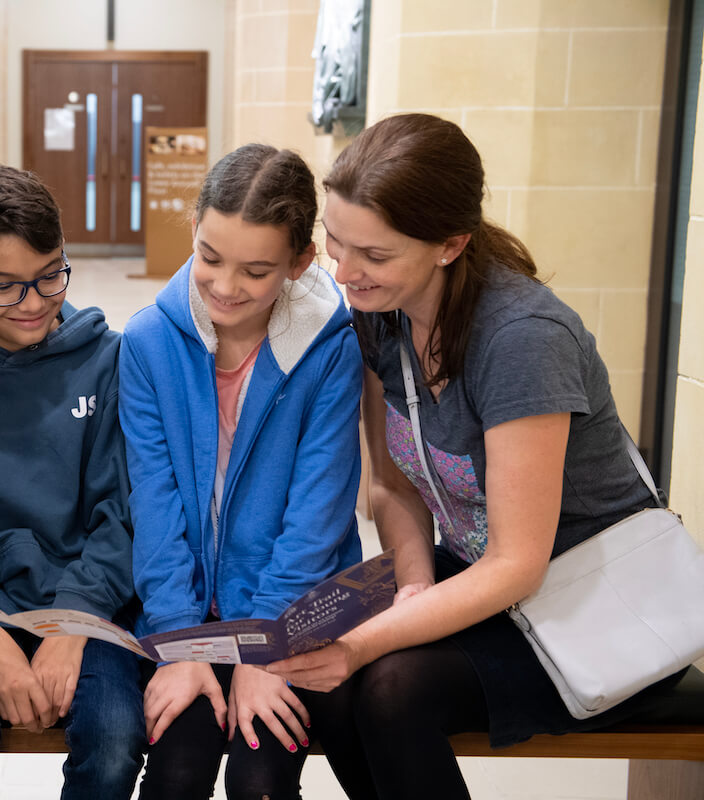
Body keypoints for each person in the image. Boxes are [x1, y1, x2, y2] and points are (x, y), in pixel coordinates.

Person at [267, 113, 672, 800]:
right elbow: (389, 486)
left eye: (374, 254)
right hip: (479, 580)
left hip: (593, 605)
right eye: (334, 242)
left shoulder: (522, 340)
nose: (344, 272)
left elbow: (518, 564)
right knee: (327, 688)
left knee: (390, 688)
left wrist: (369, 641)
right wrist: (416, 582)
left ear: (450, 245)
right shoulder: (379, 312)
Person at [119, 144, 365, 800]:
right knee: (176, 768)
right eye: (209, 257)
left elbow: (318, 514)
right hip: (188, 611)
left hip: (294, 610)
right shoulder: (146, 342)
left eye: (256, 271)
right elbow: (156, 502)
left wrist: (266, 648)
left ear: (300, 263)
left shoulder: (332, 350)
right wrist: (179, 644)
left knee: (259, 777)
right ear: (194, 231)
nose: (227, 287)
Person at [0, 162, 145, 800]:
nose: (36, 301)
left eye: (51, 274)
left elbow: (123, 512)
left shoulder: (108, 360)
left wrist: (72, 624)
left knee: (113, 737)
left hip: (87, 604)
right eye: (5, 287)